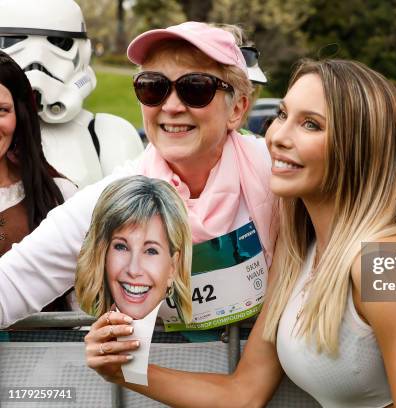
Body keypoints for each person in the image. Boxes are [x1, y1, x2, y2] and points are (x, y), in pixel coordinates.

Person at [83, 59, 396, 408]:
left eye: (310, 124)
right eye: (283, 115)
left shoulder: (383, 259)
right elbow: (243, 394)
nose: (279, 136)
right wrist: (125, 370)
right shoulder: (300, 248)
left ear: (358, 148)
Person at [0, 22, 275, 328]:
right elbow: (13, 282)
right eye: (153, 87)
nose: (170, 106)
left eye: (196, 88)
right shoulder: (116, 200)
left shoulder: (280, 178)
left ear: (237, 108)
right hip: (156, 372)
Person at [0, 0, 144, 189]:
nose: (37, 60)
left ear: (84, 51)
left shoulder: (109, 135)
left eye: (58, 42)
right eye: (12, 41)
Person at [0, 50, 76, 310]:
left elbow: (84, 304)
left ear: (19, 118)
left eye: (1, 110)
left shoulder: (60, 197)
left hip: (43, 348)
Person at [75, 176, 192, 322]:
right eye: (121, 247)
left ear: (173, 266)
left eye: (151, 251)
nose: (133, 270)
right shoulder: (77, 336)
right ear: (102, 254)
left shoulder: (210, 343)